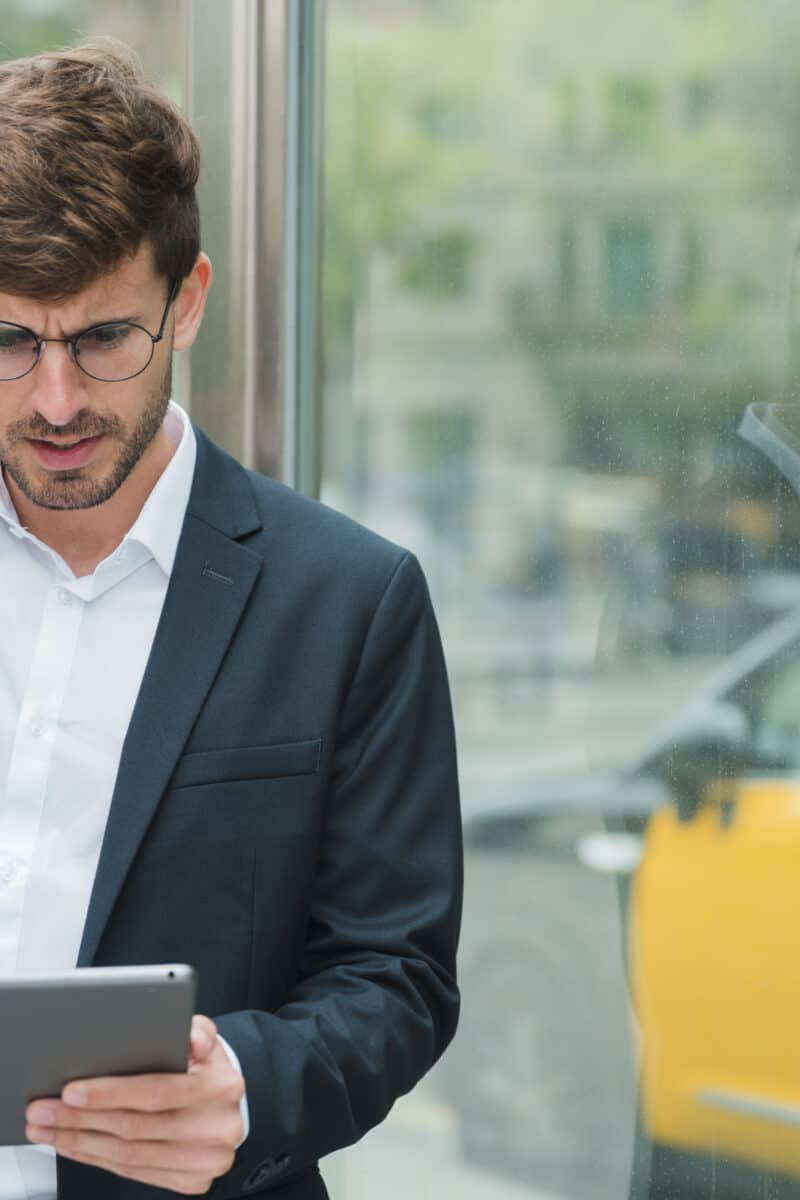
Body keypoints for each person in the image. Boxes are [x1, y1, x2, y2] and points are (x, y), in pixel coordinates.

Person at [0, 38, 462, 1200]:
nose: (56, 401)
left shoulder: (350, 600)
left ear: (187, 301)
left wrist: (247, 1086)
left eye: (104, 338)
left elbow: (394, 975)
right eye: (8, 341)